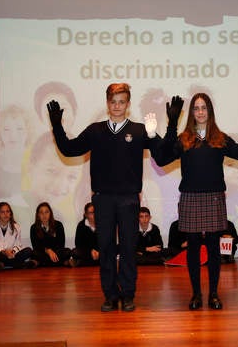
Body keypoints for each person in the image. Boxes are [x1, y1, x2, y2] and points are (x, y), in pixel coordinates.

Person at [48, 82, 162, 312]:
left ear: (128, 104)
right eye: (113, 101)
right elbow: (70, 149)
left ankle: (128, 294)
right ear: (107, 103)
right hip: (103, 199)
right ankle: (110, 295)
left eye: (121, 102)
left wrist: (155, 134)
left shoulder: (139, 130)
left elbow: (164, 156)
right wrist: (57, 126)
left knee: (129, 248)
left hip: (129, 199)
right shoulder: (95, 130)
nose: (117, 106)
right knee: (106, 248)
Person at [155, 93, 238, 310]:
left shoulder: (220, 138)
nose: (200, 112)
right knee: (193, 249)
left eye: (204, 108)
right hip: (190, 198)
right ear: (191, 112)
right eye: (196, 108)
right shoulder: (183, 139)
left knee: (213, 249)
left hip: (213, 198)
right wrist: (172, 124)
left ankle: (213, 294)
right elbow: (162, 158)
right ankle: (196, 295)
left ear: (209, 111)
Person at [0, 202, 38, 269]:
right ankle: (20, 265)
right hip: (0, 254)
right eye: (2, 212)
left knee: (28, 250)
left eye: (7, 211)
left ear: (10, 214)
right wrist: (4, 251)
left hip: (12, 254)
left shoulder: (16, 227)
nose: (6, 214)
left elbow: (18, 244)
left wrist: (12, 252)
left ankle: (5, 265)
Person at [29, 202, 70, 267]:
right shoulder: (33, 227)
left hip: (56, 253)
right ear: (38, 215)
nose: (44, 215)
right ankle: (59, 263)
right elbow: (36, 245)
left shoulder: (58, 225)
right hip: (43, 253)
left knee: (67, 251)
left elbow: (61, 244)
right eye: (41, 212)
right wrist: (47, 250)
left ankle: (41, 263)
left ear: (50, 213)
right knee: (33, 253)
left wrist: (52, 252)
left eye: (46, 212)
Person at [70, 202, 99, 267]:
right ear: (86, 214)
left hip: (99, 252)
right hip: (87, 252)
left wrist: (97, 251)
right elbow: (78, 243)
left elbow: (105, 242)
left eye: (95, 212)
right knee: (74, 252)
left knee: (112, 250)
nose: (94, 214)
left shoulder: (102, 224)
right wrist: (91, 251)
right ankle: (97, 262)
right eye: (91, 213)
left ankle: (81, 263)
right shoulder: (81, 225)